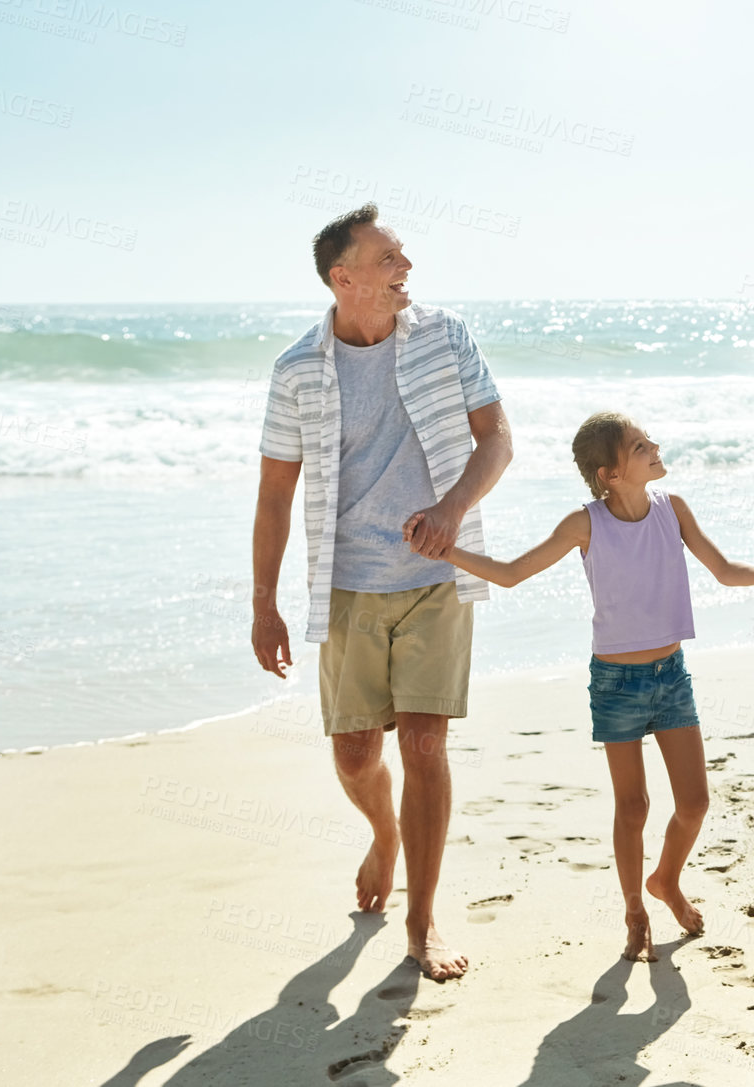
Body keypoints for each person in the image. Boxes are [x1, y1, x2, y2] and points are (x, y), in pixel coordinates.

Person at [412, 412, 754, 961]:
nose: (654, 446)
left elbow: (724, 570)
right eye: (639, 446)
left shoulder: (672, 510)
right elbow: (514, 572)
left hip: (670, 676)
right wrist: (448, 552)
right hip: (615, 683)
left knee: (696, 803)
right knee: (632, 807)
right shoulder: (585, 524)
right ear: (610, 473)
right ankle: (635, 910)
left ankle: (667, 881)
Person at [251, 202, 512, 981]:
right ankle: (384, 832)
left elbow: (497, 438)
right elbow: (274, 493)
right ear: (345, 276)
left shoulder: (444, 336)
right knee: (357, 753)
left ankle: (423, 921)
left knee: (426, 744)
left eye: (405, 256)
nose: (406, 269)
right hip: (348, 585)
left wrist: (452, 508)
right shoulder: (297, 368)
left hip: (436, 573)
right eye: (390, 258)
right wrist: (264, 602)